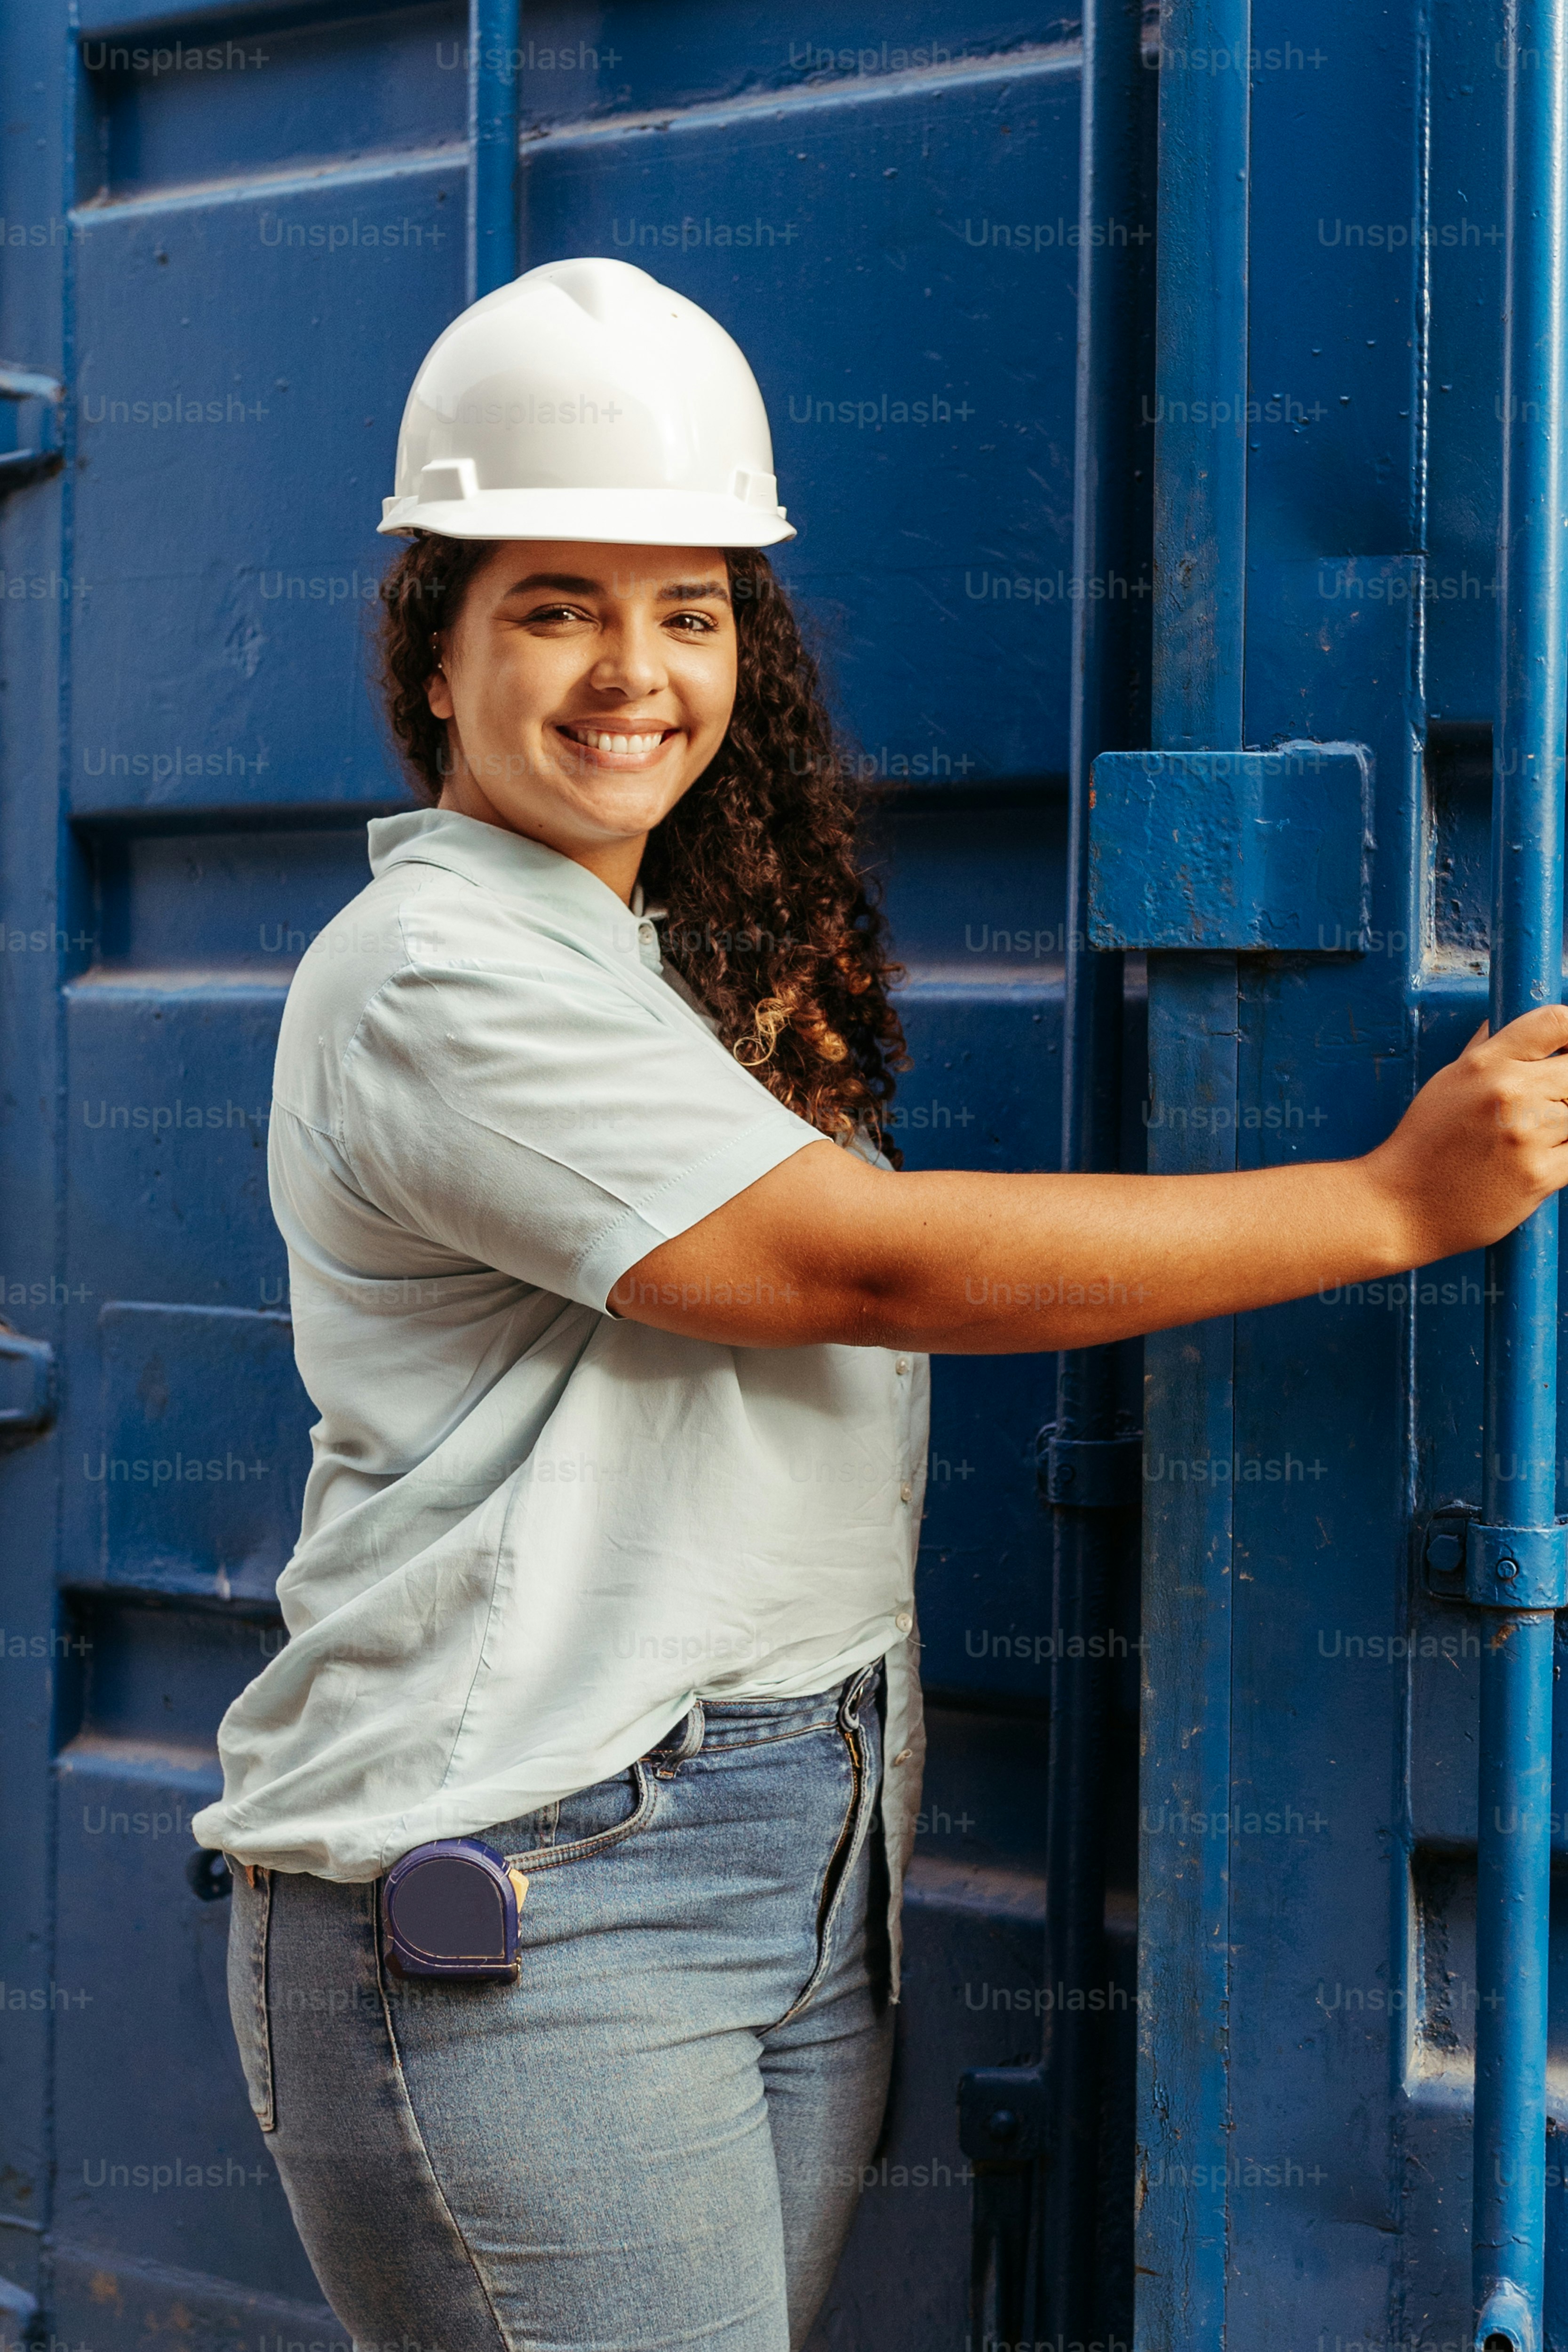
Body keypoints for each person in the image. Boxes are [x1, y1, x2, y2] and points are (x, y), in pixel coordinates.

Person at [192, 257, 1568, 2352]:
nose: (632, 669)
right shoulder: (431, 977)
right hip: (536, 1886)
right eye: (556, 602)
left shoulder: (629, 964)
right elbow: (855, 1269)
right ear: (436, 650)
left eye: (692, 607)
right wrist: (1392, 1202)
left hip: (791, 1845)